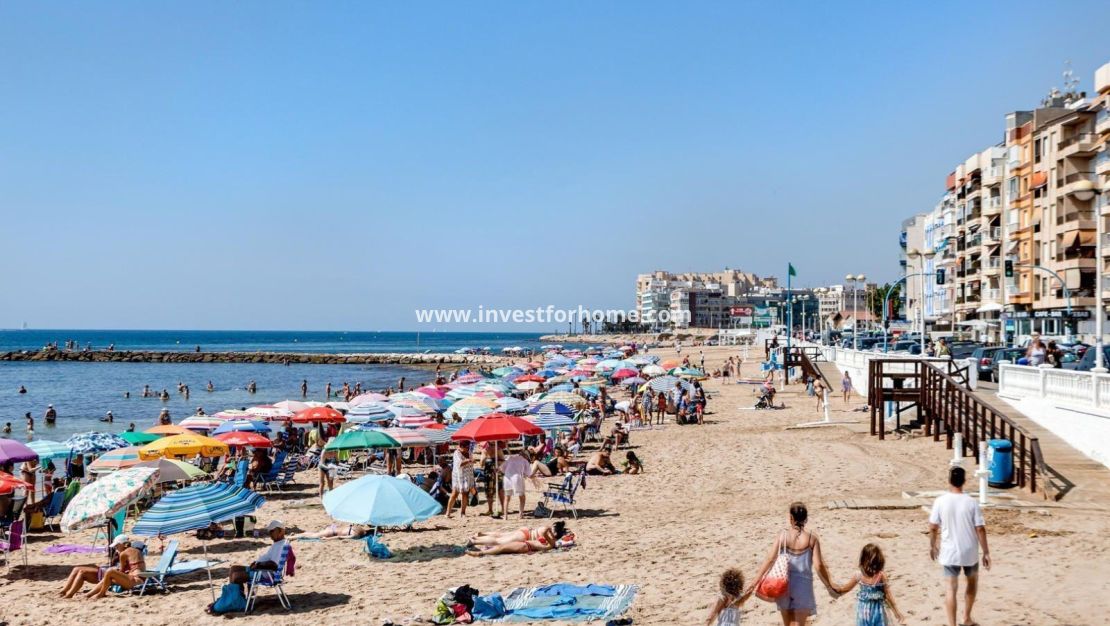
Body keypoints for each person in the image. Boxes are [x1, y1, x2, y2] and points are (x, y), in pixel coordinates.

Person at [750, 502, 838, 626]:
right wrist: (829, 585)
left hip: (784, 586)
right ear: (806, 519)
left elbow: (770, 559)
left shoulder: (782, 536)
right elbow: (819, 566)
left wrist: (754, 582)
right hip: (803, 587)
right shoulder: (812, 539)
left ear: (791, 518)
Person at [929, 466, 991, 626]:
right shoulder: (971, 502)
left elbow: (933, 527)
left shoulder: (940, 501)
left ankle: (952, 624)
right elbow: (980, 528)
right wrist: (986, 552)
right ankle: (966, 617)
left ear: (949, 480)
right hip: (969, 551)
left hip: (949, 551)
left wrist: (932, 545)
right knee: (972, 583)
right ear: (964, 481)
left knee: (951, 589)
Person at [834, 544, 906, 626]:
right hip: (868, 610)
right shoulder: (861, 575)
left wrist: (896, 611)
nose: (871, 564)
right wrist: (835, 588)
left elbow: (887, 595)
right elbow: (846, 588)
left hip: (872, 609)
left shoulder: (878, 575)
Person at [61, 535, 145, 599]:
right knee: (109, 574)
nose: (116, 548)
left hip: (135, 581)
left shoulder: (123, 553)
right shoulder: (136, 551)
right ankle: (87, 594)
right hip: (137, 579)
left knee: (110, 572)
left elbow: (122, 571)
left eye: (117, 546)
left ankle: (100, 593)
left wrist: (113, 570)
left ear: (124, 545)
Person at [227, 521, 288, 589]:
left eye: (272, 531)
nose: (270, 534)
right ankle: (235, 593)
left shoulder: (281, 545)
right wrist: (257, 563)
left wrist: (258, 565)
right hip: (261, 570)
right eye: (269, 531)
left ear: (281, 531)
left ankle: (237, 595)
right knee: (233, 568)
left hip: (265, 574)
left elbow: (274, 565)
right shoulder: (278, 543)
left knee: (236, 576)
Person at [445, 441, 475, 518]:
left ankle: (463, 513)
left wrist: (471, 461)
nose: (468, 449)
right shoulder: (456, 453)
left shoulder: (469, 453)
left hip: (468, 476)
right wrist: (468, 460)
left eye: (468, 447)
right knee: (454, 494)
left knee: (465, 494)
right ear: (461, 446)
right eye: (466, 447)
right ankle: (448, 513)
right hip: (458, 476)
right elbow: (459, 464)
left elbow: (472, 462)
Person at [500, 446, 531, 520]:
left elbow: (502, 469)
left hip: (507, 478)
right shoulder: (524, 460)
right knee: (522, 497)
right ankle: (520, 514)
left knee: (507, 497)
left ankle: (505, 516)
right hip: (517, 478)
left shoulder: (509, 458)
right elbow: (528, 473)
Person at [296, 523, 372, 540]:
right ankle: (292, 537)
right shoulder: (356, 535)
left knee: (315, 533)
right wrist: (327, 539)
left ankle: (298, 534)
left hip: (333, 527)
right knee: (313, 536)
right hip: (332, 533)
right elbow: (339, 537)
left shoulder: (358, 527)